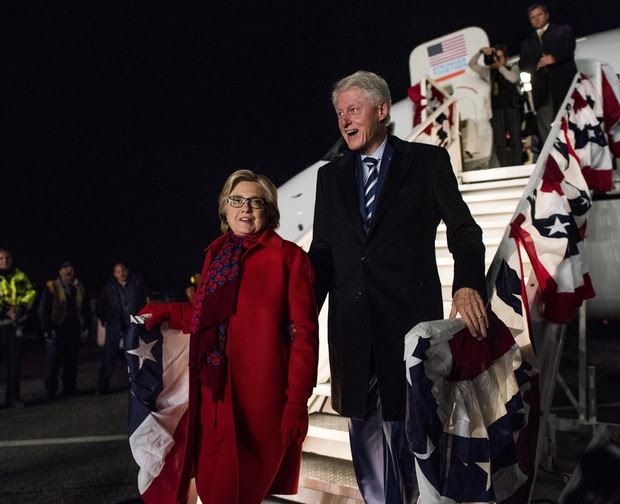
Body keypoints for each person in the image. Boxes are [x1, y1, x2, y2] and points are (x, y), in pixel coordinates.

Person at [308, 70, 488, 503]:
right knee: (365, 436)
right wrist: (300, 314)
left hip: (405, 329)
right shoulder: (329, 177)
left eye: (353, 110)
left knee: (409, 437)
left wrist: (466, 284)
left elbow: (465, 231)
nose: (344, 120)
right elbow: (323, 254)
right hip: (351, 332)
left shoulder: (427, 163)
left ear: (382, 110)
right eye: (339, 114)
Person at [138, 169, 319, 504]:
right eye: (237, 200)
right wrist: (168, 312)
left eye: (255, 202)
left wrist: (297, 402)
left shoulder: (289, 258)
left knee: (232, 494)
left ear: (269, 210)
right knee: (208, 489)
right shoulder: (216, 254)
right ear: (225, 208)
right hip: (211, 396)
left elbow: (306, 336)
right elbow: (209, 317)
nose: (245, 209)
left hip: (258, 405)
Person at [0, 248, 36, 410]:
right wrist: (6, 309)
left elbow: (30, 292)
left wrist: (22, 307)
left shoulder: (20, 276)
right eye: (0, 258)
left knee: (14, 365)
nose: (4, 261)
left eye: (7, 257)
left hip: (13, 327)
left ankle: (13, 397)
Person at [519, 3, 577, 141]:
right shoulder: (527, 42)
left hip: (564, 87)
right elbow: (523, 64)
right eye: (533, 17)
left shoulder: (562, 31)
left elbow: (569, 49)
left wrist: (554, 58)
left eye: (539, 15)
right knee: (548, 132)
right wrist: (536, 65)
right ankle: (553, 159)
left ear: (546, 15)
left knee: (570, 124)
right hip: (542, 92)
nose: (536, 19)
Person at [38, 261, 90, 399]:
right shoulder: (51, 288)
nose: (68, 271)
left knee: (71, 362)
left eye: (70, 268)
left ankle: (70, 389)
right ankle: (51, 392)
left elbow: (86, 309)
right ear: (60, 272)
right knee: (53, 363)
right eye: (65, 268)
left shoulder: (79, 288)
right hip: (57, 329)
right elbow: (44, 310)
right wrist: (47, 329)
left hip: (73, 329)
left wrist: (85, 327)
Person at [95, 262, 147, 395]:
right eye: (118, 272)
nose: (121, 274)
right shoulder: (109, 288)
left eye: (123, 270)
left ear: (127, 271)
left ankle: (137, 386)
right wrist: (106, 319)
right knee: (109, 357)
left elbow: (143, 304)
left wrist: (141, 322)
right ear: (114, 274)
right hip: (114, 326)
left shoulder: (137, 285)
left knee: (134, 356)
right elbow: (100, 306)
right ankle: (102, 387)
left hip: (132, 326)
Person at [469, 44, 524, 167]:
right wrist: (480, 52)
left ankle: (517, 166)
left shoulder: (512, 67)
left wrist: (500, 67)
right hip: (496, 110)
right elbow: (472, 65)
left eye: (500, 57)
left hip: (512, 107)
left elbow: (513, 78)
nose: (497, 60)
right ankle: (505, 166)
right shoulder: (489, 72)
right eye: (495, 57)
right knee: (500, 142)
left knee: (515, 138)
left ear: (506, 58)